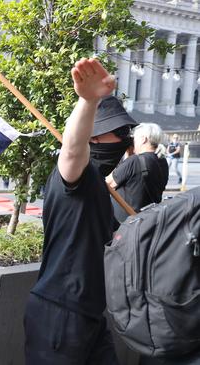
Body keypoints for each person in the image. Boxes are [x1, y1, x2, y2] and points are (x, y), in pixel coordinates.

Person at [23, 59, 138, 365]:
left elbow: (114, 238)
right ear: (95, 137)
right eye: (118, 131)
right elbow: (73, 149)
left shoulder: (100, 186)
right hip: (58, 315)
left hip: (90, 315)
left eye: (127, 131)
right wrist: (88, 101)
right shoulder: (75, 176)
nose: (125, 139)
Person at [106, 123, 168, 223]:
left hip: (125, 222)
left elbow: (109, 183)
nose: (133, 141)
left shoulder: (134, 161)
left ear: (143, 139)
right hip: (147, 220)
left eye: (135, 138)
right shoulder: (162, 160)